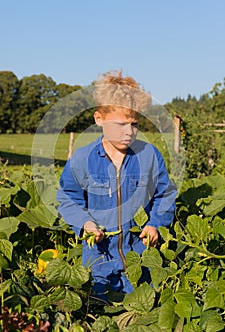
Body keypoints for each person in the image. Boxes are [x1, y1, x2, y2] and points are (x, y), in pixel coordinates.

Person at [56, 70, 177, 300]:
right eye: (120, 124)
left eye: (134, 124)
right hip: (99, 262)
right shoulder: (83, 159)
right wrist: (85, 224)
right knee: (99, 316)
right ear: (99, 118)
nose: (129, 132)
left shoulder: (148, 155)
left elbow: (165, 194)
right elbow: (68, 198)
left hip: (141, 263)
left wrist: (155, 225)